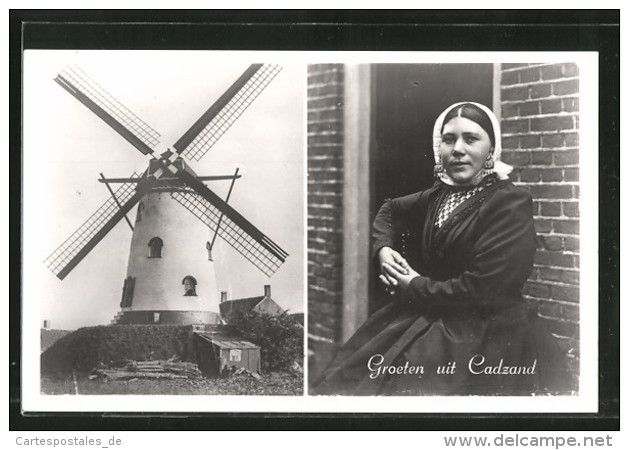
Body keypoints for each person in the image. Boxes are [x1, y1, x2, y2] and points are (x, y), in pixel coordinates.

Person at [312, 102, 568, 396]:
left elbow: (482, 289)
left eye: (471, 139)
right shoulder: (439, 194)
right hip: (433, 316)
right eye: (448, 139)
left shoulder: (508, 203)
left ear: (491, 149)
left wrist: (413, 285)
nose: (457, 149)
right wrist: (383, 250)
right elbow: (390, 210)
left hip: (487, 333)